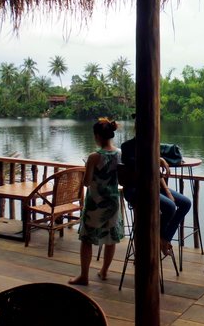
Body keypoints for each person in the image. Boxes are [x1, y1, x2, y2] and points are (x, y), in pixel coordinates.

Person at [121, 114, 191, 257]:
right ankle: (157, 239)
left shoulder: (152, 145)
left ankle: (163, 238)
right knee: (170, 207)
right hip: (135, 189)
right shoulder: (127, 147)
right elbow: (140, 167)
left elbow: (156, 173)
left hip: (153, 186)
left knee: (185, 203)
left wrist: (167, 190)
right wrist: (157, 158)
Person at [70, 118, 124, 285]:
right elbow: (120, 179)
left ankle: (84, 276)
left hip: (95, 203)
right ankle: (104, 271)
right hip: (113, 202)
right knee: (111, 238)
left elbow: (87, 182)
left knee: (87, 239)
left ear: (97, 136)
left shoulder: (94, 157)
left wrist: (87, 166)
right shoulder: (119, 153)